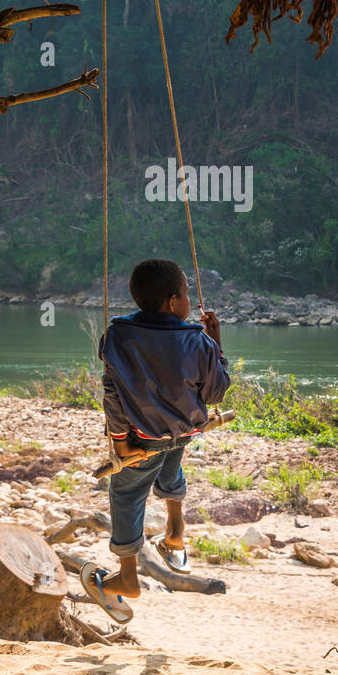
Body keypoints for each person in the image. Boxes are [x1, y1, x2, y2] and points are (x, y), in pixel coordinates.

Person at [80, 258, 229, 623]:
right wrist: (216, 344)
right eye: (187, 294)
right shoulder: (198, 340)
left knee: (127, 494)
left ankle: (127, 577)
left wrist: (119, 444)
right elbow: (216, 394)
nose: (190, 301)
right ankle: (174, 531)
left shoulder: (118, 336)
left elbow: (112, 394)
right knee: (170, 462)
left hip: (141, 438)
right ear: (172, 299)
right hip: (182, 431)